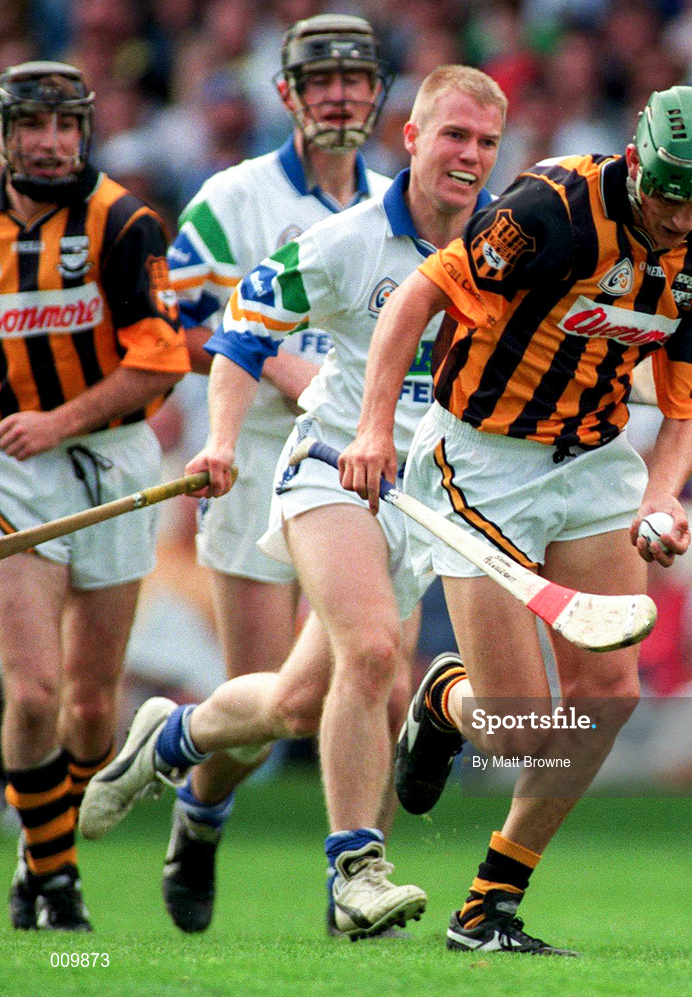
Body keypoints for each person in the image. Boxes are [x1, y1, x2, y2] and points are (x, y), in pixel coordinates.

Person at [79, 65, 508, 941]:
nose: (470, 156)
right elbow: (241, 327)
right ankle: (357, 873)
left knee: (294, 705)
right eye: (454, 136)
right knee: (377, 653)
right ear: (414, 139)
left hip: (418, 501)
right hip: (329, 469)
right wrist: (225, 439)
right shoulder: (349, 240)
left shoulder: (509, 247)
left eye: (487, 142)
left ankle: (174, 735)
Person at [339, 84, 692, 954]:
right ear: (638, 164)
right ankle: (446, 701)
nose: (681, 218)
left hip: (594, 458)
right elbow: (419, 297)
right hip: (483, 458)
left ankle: (487, 907)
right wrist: (374, 424)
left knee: (609, 694)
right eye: (670, 196)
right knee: (528, 730)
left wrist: (664, 493)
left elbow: (690, 403)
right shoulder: (548, 209)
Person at [159, 14, 391, 934]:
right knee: (269, 710)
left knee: (372, 666)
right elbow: (177, 325)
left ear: (379, 97)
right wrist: (289, 376)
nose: (339, 94)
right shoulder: (231, 199)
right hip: (256, 463)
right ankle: (201, 808)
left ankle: (355, 878)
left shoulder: (399, 208)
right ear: (287, 94)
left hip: (360, 472)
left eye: (355, 80)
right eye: (320, 80)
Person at [0, 61, 189, 931]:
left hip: (112, 459)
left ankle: (39, 856)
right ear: (6, 137)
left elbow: (161, 359)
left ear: (84, 133)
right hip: (11, 467)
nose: (49, 143)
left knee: (88, 706)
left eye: (64, 127)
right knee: (33, 692)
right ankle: (55, 876)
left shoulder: (124, 222)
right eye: (32, 127)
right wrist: (30, 429)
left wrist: (63, 419)